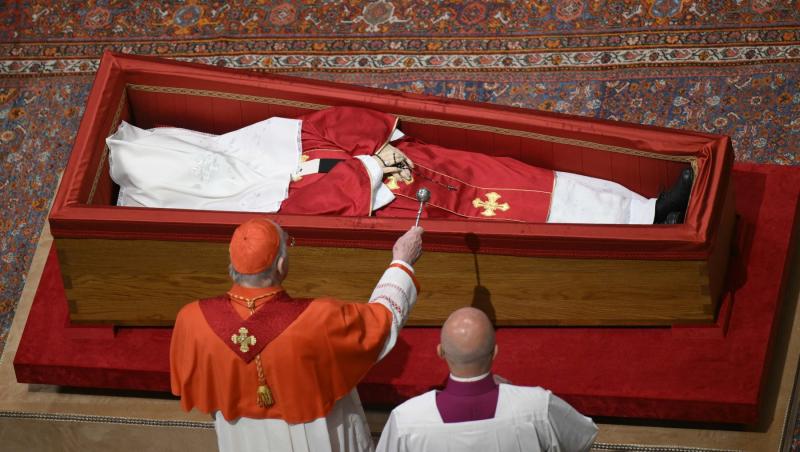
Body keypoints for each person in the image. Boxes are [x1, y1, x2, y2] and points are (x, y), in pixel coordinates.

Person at [107, 106, 693, 225]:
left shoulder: (246, 144)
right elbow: (305, 210)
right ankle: (642, 228)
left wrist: (377, 149)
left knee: (516, 174)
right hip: (397, 209)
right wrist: (368, 170)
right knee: (513, 210)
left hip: (407, 164)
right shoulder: (238, 210)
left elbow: (324, 124)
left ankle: (640, 206)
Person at [169, 218, 424, 452]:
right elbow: (382, 320)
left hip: (243, 438)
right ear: (281, 264)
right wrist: (401, 262)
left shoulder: (191, 319)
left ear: (231, 262)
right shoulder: (319, 318)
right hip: (316, 435)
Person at [376, 307, 598, 452]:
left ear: (440, 352)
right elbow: (583, 439)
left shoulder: (406, 420)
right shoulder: (538, 407)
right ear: (495, 351)